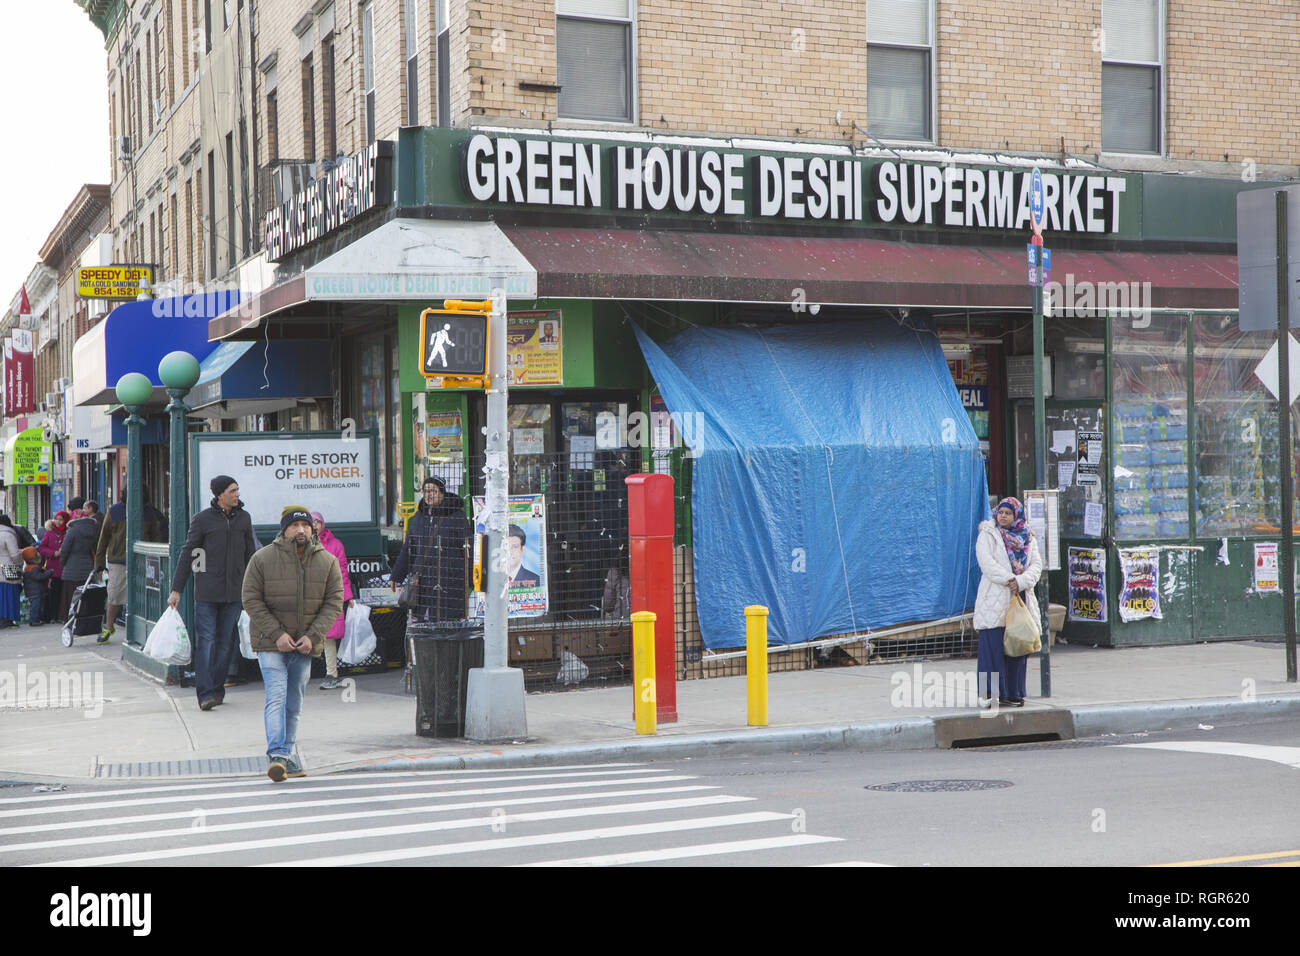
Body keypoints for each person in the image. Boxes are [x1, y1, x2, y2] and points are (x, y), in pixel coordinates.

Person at [241, 506, 344, 782]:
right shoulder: (262, 559)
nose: (301, 530)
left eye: (305, 525)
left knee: (294, 702)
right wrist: (277, 634)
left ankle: (285, 757)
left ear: (313, 529)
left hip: (304, 645)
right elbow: (250, 599)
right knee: (276, 695)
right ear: (284, 529)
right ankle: (277, 754)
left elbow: (334, 602)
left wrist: (312, 636)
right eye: (294, 525)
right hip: (270, 642)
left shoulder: (328, 561)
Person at [169, 476, 260, 711]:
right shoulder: (202, 520)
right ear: (220, 495)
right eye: (232, 491)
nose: (237, 494)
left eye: (237, 490)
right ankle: (205, 693)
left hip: (234, 594)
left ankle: (217, 689)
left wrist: (254, 588)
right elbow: (189, 552)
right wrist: (177, 589)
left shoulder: (244, 518)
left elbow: (251, 555)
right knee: (206, 642)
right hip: (207, 593)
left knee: (225, 644)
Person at [973, 496, 1043, 709]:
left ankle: (1013, 693)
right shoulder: (988, 534)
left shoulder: (1028, 537)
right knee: (992, 648)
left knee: (1017, 646)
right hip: (994, 599)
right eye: (1001, 512)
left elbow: (1036, 565)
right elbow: (986, 563)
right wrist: (1010, 579)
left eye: (1008, 513)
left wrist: (1021, 582)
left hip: (1019, 597)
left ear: (1017, 515)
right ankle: (990, 694)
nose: (1003, 516)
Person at [391, 475, 470, 622]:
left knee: (446, 621)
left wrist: (473, 579)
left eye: (433, 491)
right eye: (426, 491)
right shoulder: (419, 516)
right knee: (422, 622)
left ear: (442, 493)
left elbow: (467, 548)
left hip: (449, 579)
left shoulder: (457, 516)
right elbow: (409, 547)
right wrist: (397, 575)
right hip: (423, 580)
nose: (429, 495)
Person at [94, 491, 166, 644]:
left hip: (143, 559)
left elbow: (155, 535)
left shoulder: (149, 513)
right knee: (114, 595)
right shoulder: (114, 511)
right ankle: (108, 627)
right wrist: (99, 561)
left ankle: (145, 630)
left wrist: (156, 556)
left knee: (144, 597)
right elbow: (104, 537)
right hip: (118, 560)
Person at [312, 511, 354, 689]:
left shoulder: (335, 545)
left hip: (328, 595)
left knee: (327, 637)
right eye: (311, 521)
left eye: (317, 521)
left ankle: (331, 674)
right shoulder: (302, 544)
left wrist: (348, 596)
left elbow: (342, 571)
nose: (314, 525)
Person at [59, 508, 101, 635]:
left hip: (72, 568)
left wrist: (63, 562)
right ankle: (85, 619)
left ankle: (70, 619)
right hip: (88, 567)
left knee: (71, 595)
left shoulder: (73, 531)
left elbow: (65, 549)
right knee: (86, 595)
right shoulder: (93, 530)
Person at [39, 511, 69, 622]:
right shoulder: (49, 533)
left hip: (65, 568)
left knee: (63, 594)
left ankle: (61, 615)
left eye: (61, 520)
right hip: (52, 568)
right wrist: (53, 553)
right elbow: (42, 548)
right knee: (53, 593)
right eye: (57, 519)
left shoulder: (68, 532)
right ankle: (52, 616)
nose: (58, 522)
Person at [0, 517, 22, 629]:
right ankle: (7, 619)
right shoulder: (8, 534)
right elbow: (15, 555)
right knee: (9, 595)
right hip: (8, 570)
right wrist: (20, 563)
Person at [21, 547, 51, 627]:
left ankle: (36, 619)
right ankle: (34, 620)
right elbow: (39, 577)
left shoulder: (28, 568)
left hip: (32, 592)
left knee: (36, 606)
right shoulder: (34, 568)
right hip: (36, 592)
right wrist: (48, 573)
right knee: (36, 606)